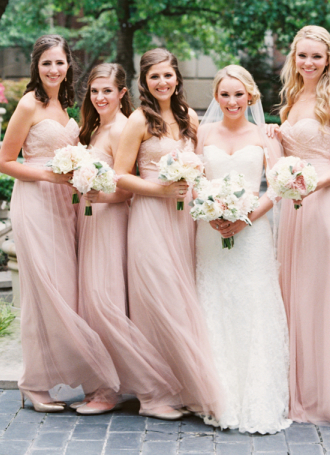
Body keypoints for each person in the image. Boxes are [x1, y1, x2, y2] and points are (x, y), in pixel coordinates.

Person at [0, 35, 118, 412]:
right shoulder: (28, 104)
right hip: (35, 202)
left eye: (59, 62)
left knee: (64, 290)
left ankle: (59, 377)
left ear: (69, 66)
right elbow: (5, 162)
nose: (53, 69)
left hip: (65, 206)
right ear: (36, 66)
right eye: (46, 63)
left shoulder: (65, 107)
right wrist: (51, 175)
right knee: (44, 292)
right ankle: (35, 384)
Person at [114, 48, 220, 419]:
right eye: (154, 76)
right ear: (144, 82)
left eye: (167, 75)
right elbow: (120, 175)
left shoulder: (189, 116)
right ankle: (152, 395)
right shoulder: (139, 119)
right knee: (156, 300)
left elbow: (203, 167)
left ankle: (181, 386)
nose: (162, 82)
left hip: (183, 219)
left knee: (182, 299)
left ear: (177, 78)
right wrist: (159, 189)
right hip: (150, 218)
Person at [74, 63, 180, 417]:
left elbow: (125, 187)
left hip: (111, 222)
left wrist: (99, 195)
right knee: (95, 305)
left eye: (107, 90)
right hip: (92, 222)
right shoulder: (94, 129)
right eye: (94, 91)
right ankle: (106, 386)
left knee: (107, 305)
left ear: (122, 93)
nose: (100, 97)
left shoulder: (122, 127)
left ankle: (143, 391)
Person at [271, 25, 330, 427]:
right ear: (294, 58)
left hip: (324, 202)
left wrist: (314, 183)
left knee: (322, 294)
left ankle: (326, 393)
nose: (309, 63)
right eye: (303, 55)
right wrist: (275, 137)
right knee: (296, 294)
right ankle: (300, 388)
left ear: (328, 61)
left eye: (316, 57)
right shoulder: (291, 98)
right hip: (294, 206)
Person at [195, 65, 290, 435]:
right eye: (225, 94)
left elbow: (278, 187)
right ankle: (220, 396)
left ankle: (255, 397)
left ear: (251, 96)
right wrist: (210, 211)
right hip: (211, 231)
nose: (232, 101)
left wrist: (246, 217)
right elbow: (194, 178)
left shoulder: (266, 135)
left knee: (252, 303)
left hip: (253, 232)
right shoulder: (203, 133)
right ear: (216, 97)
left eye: (239, 94)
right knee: (215, 303)